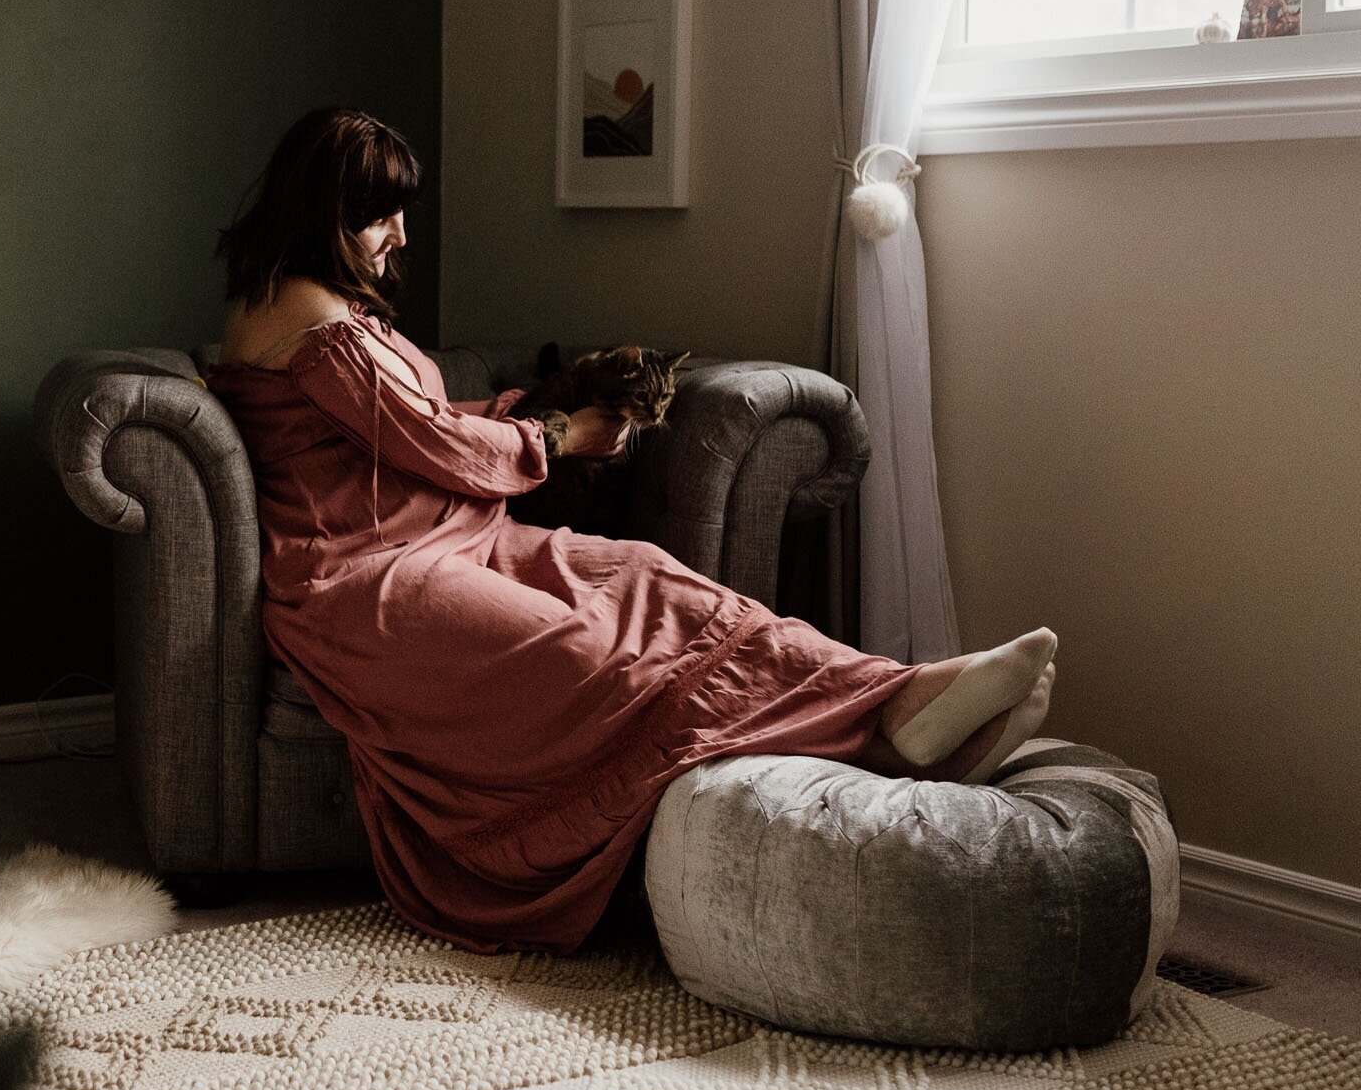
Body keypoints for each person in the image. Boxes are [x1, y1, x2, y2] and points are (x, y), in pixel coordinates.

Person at [205, 106, 1058, 955]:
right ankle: (874, 737)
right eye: (378, 216)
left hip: (455, 536)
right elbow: (433, 441)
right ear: (322, 211)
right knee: (573, 648)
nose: (398, 236)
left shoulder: (329, 306)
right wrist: (560, 436)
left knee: (648, 579)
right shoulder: (312, 324)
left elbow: (414, 424)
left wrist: (529, 410)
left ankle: (894, 696)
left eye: (399, 214)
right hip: (363, 579)